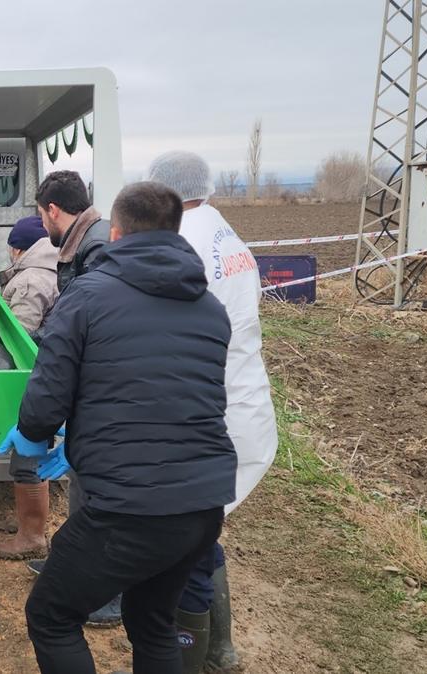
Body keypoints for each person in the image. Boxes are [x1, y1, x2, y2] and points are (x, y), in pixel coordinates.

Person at [1, 181, 236, 674]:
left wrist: (33, 435)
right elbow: (170, 394)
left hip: (131, 505)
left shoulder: (88, 295)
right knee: (151, 619)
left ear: (116, 231)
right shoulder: (210, 308)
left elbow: (50, 389)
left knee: (51, 614)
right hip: (203, 505)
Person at [147, 150, 278, 673]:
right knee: (202, 533)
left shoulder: (183, 241)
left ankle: (194, 659)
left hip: (206, 411)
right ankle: (220, 651)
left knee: (186, 546)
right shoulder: (223, 232)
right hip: (242, 399)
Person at [27, 169, 125, 627]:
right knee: (81, 490)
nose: (41, 225)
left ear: (52, 210)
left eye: (40, 214)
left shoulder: (98, 249)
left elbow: (94, 328)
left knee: (100, 498)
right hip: (93, 390)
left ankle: (104, 597)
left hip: (108, 391)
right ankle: (71, 568)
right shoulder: (85, 243)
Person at [0, 215, 60, 560]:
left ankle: (32, 537)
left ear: (17, 249)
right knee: (29, 452)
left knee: (29, 456)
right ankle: (26, 522)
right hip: (43, 374)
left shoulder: (30, 282)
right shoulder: (43, 272)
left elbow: (19, 336)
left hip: (37, 378)